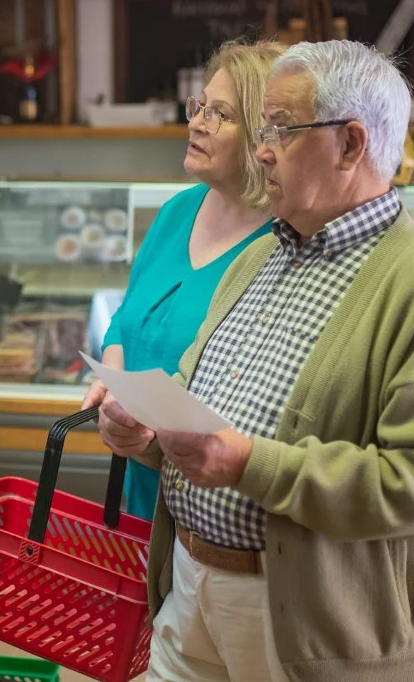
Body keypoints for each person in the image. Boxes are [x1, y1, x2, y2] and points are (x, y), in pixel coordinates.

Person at [98, 40, 414, 681]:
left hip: (301, 620)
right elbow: (189, 394)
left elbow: (404, 481)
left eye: (281, 130)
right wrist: (144, 430)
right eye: (262, 126)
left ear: (351, 145)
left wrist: (246, 463)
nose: (262, 148)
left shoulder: (402, 282)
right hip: (185, 587)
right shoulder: (257, 257)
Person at [82, 40, 282, 520]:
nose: (195, 123)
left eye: (220, 115)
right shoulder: (177, 211)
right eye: (199, 106)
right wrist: (114, 395)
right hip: (144, 496)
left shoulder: (284, 241)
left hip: (221, 511)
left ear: (265, 135)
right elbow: (125, 319)